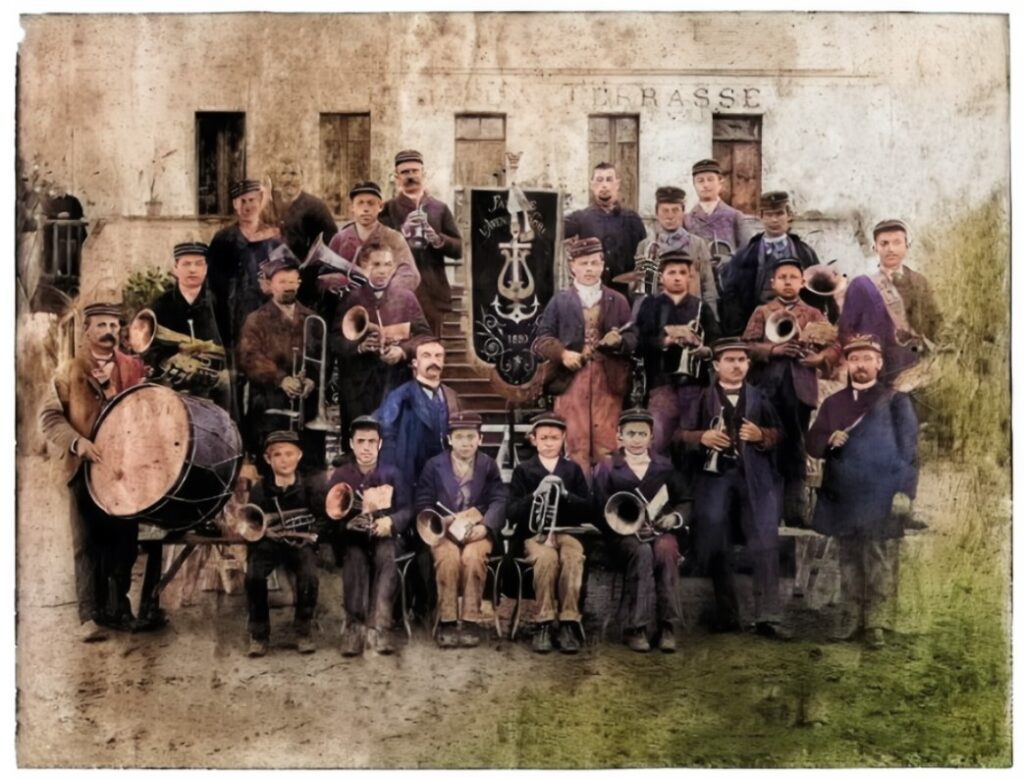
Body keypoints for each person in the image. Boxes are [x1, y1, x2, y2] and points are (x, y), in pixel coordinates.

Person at [39, 302, 147, 642]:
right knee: (86, 543)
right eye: (101, 326)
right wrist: (78, 443)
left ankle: (119, 609)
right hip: (83, 469)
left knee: (124, 542)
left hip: (123, 473)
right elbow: (49, 418)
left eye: (114, 326)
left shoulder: (133, 368)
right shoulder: (67, 371)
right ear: (87, 332)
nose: (108, 333)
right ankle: (89, 615)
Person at [807, 335, 918, 649]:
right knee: (849, 558)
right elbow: (812, 444)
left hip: (881, 495)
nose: (861, 365)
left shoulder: (895, 400)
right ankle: (851, 618)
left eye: (867, 358)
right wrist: (829, 439)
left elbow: (910, 452)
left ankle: (876, 623)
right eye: (855, 359)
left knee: (877, 558)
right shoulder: (833, 403)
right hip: (844, 494)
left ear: (879, 363)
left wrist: (904, 492)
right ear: (847, 364)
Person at [678, 338, 789, 639]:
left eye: (742, 360)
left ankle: (769, 616)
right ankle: (727, 613)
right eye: (729, 360)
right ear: (716, 366)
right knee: (714, 531)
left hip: (755, 478)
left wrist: (761, 434)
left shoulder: (761, 397)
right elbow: (679, 435)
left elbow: (781, 434)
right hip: (714, 479)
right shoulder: (701, 398)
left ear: (749, 365)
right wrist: (701, 437)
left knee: (765, 538)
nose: (736, 365)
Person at [742, 258, 840, 526]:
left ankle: (795, 514)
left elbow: (834, 347)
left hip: (799, 390)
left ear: (802, 282)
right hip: (766, 389)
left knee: (795, 450)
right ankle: (766, 515)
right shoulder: (762, 312)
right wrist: (773, 350)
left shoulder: (814, 313)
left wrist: (818, 360)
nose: (787, 281)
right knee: (766, 447)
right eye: (782, 277)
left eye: (793, 277)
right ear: (773, 283)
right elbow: (747, 346)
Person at [534, 236, 636, 475]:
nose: (589, 269)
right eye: (583, 263)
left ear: (602, 265)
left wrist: (620, 341)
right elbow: (541, 339)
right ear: (572, 266)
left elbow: (634, 338)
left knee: (607, 444)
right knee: (573, 443)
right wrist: (562, 354)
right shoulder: (560, 301)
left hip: (608, 381)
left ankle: (605, 505)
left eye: (594, 263)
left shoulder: (618, 300)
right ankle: (576, 501)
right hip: (571, 381)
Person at [593, 408, 690, 653]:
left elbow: (686, 500)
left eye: (642, 434)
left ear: (651, 438)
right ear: (619, 437)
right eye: (630, 433)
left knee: (667, 549)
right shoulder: (606, 467)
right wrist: (622, 527)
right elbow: (597, 506)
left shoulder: (665, 467)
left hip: (658, 531)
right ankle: (635, 628)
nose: (636, 439)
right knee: (642, 553)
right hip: (622, 539)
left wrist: (675, 517)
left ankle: (668, 626)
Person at [415, 411, 508, 648]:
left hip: (477, 532)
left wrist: (486, 527)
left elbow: (499, 500)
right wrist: (443, 521)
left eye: (471, 437)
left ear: (480, 439)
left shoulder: (488, 466)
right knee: (448, 559)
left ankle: (470, 621)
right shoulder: (433, 466)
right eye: (459, 437)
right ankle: (446, 620)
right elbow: (423, 502)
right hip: (445, 533)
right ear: (449, 439)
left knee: (473, 558)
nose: (466, 442)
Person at [506, 412, 593, 654]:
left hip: (566, 532)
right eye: (543, 438)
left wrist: (565, 494)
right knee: (546, 558)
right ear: (533, 439)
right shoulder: (523, 471)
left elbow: (588, 509)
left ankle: (568, 621)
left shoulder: (572, 470)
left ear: (563, 438)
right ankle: (543, 622)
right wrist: (535, 494)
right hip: (534, 534)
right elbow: (511, 512)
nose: (548, 442)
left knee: (573, 557)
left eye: (554, 438)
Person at [326, 416, 412, 657]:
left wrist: (391, 522)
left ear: (380, 444)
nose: (366, 447)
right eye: (360, 441)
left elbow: (408, 509)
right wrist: (347, 525)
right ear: (351, 444)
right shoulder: (341, 475)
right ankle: (355, 626)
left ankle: (381, 626)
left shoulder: (393, 473)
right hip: (354, 539)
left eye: (371, 442)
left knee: (388, 557)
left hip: (385, 537)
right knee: (354, 558)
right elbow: (331, 515)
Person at [330, 238, 430, 428]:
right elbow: (334, 340)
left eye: (388, 264)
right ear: (364, 265)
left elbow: (425, 337)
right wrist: (359, 347)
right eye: (376, 264)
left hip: (396, 381)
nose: (383, 270)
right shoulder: (351, 298)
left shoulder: (407, 298)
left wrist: (402, 351)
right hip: (359, 387)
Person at [243, 430, 325, 657]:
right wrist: (263, 535)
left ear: (299, 455)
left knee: (309, 575)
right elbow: (250, 522)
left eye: (290, 454)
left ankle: (303, 630)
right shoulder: (260, 489)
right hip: (270, 541)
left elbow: (321, 518)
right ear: (268, 459)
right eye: (277, 455)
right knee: (254, 575)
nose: (284, 460)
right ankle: (258, 634)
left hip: (300, 541)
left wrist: (315, 533)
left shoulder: (309, 488)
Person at [236, 251, 320, 462]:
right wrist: (281, 379)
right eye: (282, 281)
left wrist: (313, 379)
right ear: (270, 285)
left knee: (309, 457)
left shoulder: (313, 319)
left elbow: (322, 355)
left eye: (292, 281)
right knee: (271, 455)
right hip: (269, 397)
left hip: (305, 398)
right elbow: (250, 357)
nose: (288, 286)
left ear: (299, 283)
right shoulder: (255, 320)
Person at [634, 250, 720, 456]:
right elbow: (639, 343)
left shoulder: (701, 307)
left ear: (690, 277)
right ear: (662, 277)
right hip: (661, 384)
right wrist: (666, 341)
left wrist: (703, 348)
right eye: (672, 272)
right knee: (659, 439)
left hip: (694, 385)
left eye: (683, 272)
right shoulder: (650, 305)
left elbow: (716, 342)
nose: (678, 277)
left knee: (690, 442)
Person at [838, 219, 942, 384]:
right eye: (884, 243)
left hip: (916, 367)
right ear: (875, 248)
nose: (890, 249)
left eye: (897, 242)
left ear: (907, 246)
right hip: (878, 371)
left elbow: (935, 324)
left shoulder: (920, 282)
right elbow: (845, 331)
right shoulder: (861, 286)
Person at [380, 149, 463, 336]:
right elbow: (377, 248)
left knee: (431, 350)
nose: (410, 176)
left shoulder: (439, 208)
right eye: (405, 172)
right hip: (397, 292)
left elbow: (459, 249)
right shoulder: (388, 209)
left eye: (414, 171)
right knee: (398, 349)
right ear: (396, 177)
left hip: (432, 293)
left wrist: (439, 239)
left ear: (423, 174)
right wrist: (403, 231)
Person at [719, 190, 823, 336]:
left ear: (789, 216)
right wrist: (739, 332)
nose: (774, 220)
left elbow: (817, 294)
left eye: (779, 213)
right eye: (768, 214)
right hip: (759, 325)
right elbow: (732, 296)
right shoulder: (745, 256)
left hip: (799, 326)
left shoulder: (805, 252)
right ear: (761, 217)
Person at [143, 240, 229, 406]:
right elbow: (149, 349)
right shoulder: (160, 304)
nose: (192, 269)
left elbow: (234, 344)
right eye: (186, 264)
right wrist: (169, 360)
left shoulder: (223, 303)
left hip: (215, 383)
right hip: (173, 382)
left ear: (206, 268)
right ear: (175, 269)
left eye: (199, 264)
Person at [377, 337, 462, 491]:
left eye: (438, 356)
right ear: (415, 363)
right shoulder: (400, 397)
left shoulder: (452, 397)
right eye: (426, 356)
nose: (433, 361)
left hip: (445, 481)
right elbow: (386, 439)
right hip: (410, 480)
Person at [207, 179, 282, 350]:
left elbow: (283, 274)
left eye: (252, 200)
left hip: (264, 308)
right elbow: (213, 283)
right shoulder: (222, 239)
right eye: (243, 201)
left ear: (259, 201)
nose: (248, 207)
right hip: (231, 312)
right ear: (235, 204)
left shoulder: (273, 237)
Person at [634, 185, 719, 320]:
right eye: (665, 211)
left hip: (690, 314)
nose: (670, 216)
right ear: (657, 214)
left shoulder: (697, 244)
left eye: (675, 210)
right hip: (658, 316)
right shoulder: (645, 246)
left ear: (683, 213)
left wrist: (712, 320)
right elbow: (641, 290)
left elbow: (708, 286)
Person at [563, 162, 647, 298]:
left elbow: (644, 256)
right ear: (591, 185)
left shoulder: (632, 219)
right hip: (591, 294)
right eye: (599, 180)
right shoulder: (581, 218)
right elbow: (553, 231)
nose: (604, 185)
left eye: (609, 180)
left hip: (625, 294)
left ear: (617, 184)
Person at [328, 181, 420, 294]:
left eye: (370, 203)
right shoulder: (340, 239)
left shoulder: (394, 238)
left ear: (380, 206)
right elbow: (326, 273)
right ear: (352, 208)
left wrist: (386, 288)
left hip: (384, 303)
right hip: (347, 304)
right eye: (360, 203)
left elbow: (410, 273)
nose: (365, 209)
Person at [270, 157, 338, 262]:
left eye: (293, 173)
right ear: (277, 178)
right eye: (283, 173)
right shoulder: (269, 205)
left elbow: (332, 243)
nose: (288, 179)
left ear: (302, 177)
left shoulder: (317, 207)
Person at [684, 158, 752, 259]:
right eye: (700, 181)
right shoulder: (687, 219)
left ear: (720, 182)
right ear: (694, 185)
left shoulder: (734, 216)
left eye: (710, 179)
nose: (706, 185)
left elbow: (748, 251)